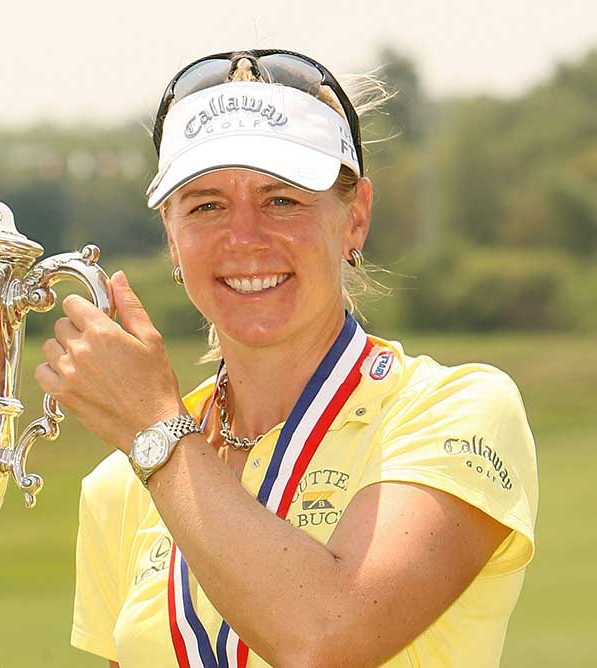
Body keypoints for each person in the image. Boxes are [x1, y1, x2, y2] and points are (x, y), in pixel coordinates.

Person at [34, 50, 539, 668]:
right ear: (171, 236)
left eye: (282, 201)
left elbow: (326, 639)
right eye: (205, 205)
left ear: (355, 218)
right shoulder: (122, 484)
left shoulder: (454, 412)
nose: (244, 237)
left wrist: (154, 434)